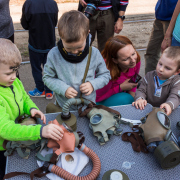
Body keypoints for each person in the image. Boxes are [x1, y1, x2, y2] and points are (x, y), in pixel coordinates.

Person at [0, 39, 64, 180]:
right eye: (8, 74)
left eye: (16, 71)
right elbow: (5, 130)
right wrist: (40, 131)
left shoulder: (15, 82)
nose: (13, 77)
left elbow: (25, 98)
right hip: (3, 147)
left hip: (19, 135)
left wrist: (32, 109)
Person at [43, 10, 111, 112]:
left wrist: (93, 84)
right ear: (60, 36)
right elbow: (47, 77)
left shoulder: (94, 53)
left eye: (79, 47)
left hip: (87, 107)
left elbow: (105, 75)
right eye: (69, 48)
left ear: (88, 33)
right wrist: (63, 89)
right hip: (63, 107)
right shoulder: (54, 54)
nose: (74, 52)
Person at [21, 0, 58, 99]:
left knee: (36, 69)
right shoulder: (53, 3)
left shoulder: (28, 3)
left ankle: (40, 89)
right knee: (49, 68)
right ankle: (49, 91)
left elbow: (24, 24)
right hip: (50, 43)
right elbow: (55, 22)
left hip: (35, 43)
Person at [133, 46, 180, 116]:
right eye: (160, 64)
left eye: (167, 68)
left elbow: (175, 96)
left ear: (176, 72)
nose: (161, 69)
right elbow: (141, 90)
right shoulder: (149, 76)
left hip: (165, 112)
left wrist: (169, 105)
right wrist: (140, 98)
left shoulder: (177, 81)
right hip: (146, 110)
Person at [96, 35, 141, 107]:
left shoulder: (136, 59)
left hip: (119, 94)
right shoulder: (106, 71)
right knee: (127, 99)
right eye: (126, 59)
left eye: (133, 53)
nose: (133, 60)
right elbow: (97, 97)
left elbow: (133, 83)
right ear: (115, 60)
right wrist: (120, 88)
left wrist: (135, 100)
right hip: (99, 100)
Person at [144, 0, 178, 74]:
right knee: (151, 52)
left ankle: (168, 83)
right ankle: (149, 81)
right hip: (160, 16)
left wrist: (168, 34)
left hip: (172, 19)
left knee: (170, 57)